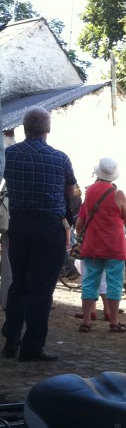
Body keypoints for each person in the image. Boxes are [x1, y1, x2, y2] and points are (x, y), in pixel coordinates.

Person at [2, 106, 77, 361]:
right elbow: (72, 192)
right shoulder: (60, 158)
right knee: (42, 289)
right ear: (48, 128)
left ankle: (11, 338)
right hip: (49, 226)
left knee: (19, 284)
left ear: (24, 127)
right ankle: (32, 346)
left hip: (20, 224)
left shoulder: (9, 155)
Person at [75, 158, 126, 333]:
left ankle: (86, 321)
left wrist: (80, 237)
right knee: (114, 283)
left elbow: (80, 221)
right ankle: (114, 322)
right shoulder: (118, 193)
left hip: (92, 243)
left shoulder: (89, 191)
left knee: (90, 280)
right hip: (113, 244)